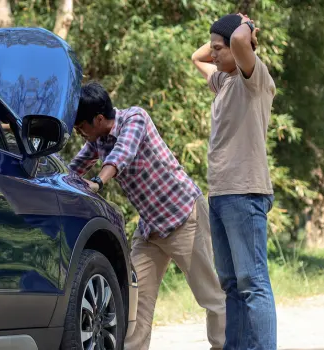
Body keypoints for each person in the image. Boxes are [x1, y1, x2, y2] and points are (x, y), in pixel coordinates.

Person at [68, 82, 226, 350]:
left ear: (98, 119)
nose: (79, 132)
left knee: (210, 293)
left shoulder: (135, 118)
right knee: (135, 302)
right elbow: (75, 167)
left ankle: (225, 345)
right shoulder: (97, 140)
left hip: (185, 217)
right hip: (151, 229)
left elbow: (122, 155)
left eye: (81, 126)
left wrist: (98, 182)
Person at [190, 13, 277, 350]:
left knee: (252, 282)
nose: (212, 55)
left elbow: (240, 42)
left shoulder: (252, 80)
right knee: (230, 284)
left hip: (245, 192)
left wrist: (245, 25)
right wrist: (218, 38)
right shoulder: (224, 82)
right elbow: (196, 58)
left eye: (218, 49)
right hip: (222, 194)